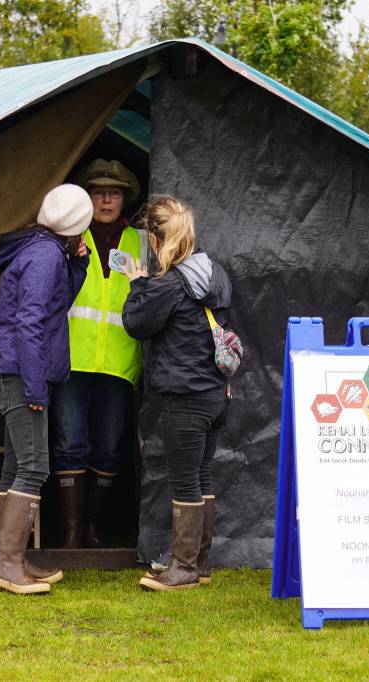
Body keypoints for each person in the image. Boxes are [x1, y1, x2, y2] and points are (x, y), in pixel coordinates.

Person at [121, 195, 233, 591]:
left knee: (185, 480)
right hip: (215, 394)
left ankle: (182, 569)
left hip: (184, 396)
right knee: (201, 476)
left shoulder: (169, 284)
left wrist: (137, 286)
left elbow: (136, 323)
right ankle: (198, 564)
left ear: (155, 238)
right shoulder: (214, 273)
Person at [0, 184, 93, 594]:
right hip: (21, 374)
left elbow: (52, 306)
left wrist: (78, 267)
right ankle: (9, 565)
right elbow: (29, 323)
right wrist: (35, 389)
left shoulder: (42, 249)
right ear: (78, 226)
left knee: (16, 465)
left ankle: (10, 561)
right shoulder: (45, 255)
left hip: (14, 371)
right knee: (33, 466)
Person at [51, 159, 145, 548]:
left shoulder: (142, 242)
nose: (107, 199)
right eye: (99, 191)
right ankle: (71, 532)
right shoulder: (67, 236)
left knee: (109, 446)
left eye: (115, 192)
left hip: (121, 363)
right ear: (87, 197)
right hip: (73, 359)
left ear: (125, 198)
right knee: (70, 442)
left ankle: (93, 527)